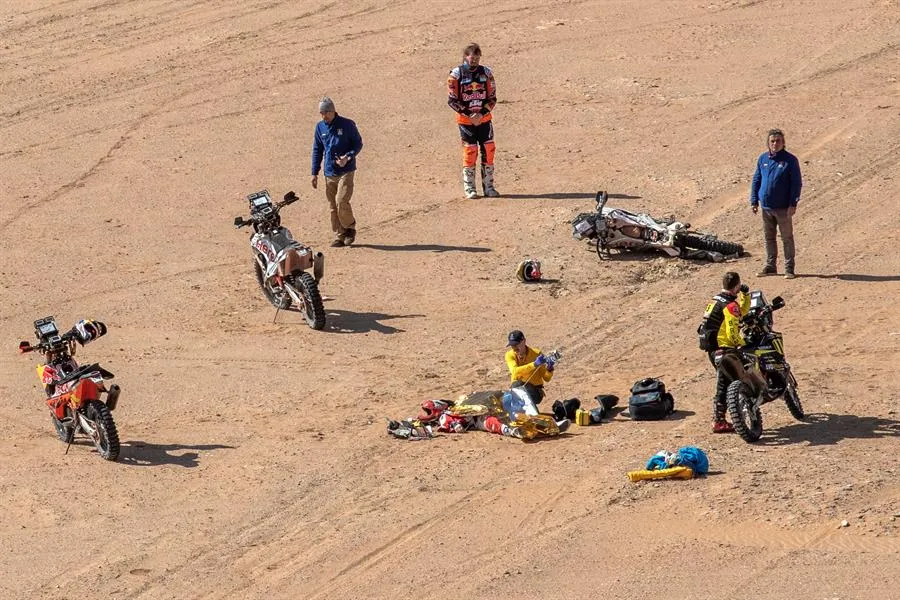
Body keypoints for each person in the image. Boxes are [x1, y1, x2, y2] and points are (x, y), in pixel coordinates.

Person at [699, 272, 750, 433]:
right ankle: (719, 421)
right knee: (724, 384)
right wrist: (741, 343)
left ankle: (722, 417)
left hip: (711, 348)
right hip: (724, 347)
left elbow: (740, 312)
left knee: (725, 382)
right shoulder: (729, 305)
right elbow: (732, 330)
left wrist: (745, 296)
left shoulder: (715, 300)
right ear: (736, 286)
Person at [447, 43, 499, 199]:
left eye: (477, 57)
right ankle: (470, 188)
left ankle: (489, 187)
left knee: (489, 149)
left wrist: (481, 114)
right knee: (470, 150)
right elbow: (452, 100)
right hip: (465, 121)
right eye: (472, 57)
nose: (475, 60)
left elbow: (492, 98)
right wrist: (470, 115)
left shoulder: (487, 72)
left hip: (484, 119)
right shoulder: (456, 75)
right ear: (465, 57)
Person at [310, 97, 364, 247]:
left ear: (333, 111)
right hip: (329, 172)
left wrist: (348, 157)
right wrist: (314, 172)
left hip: (346, 170)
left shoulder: (347, 124)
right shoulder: (320, 127)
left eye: (326, 112)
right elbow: (317, 150)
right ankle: (340, 235)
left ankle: (350, 228)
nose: (323, 116)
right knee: (333, 206)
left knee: (341, 201)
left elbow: (358, 143)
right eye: (321, 113)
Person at [749, 128, 802, 279]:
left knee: (786, 238)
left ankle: (789, 268)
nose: (775, 143)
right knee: (769, 238)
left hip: (783, 208)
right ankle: (771, 266)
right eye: (772, 141)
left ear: (783, 143)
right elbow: (756, 180)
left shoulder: (790, 160)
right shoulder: (763, 159)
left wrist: (793, 203)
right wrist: (754, 200)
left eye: (778, 141)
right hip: (766, 207)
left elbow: (796, 183)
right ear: (768, 143)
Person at [504, 330, 554, 407]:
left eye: (516, 344)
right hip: (518, 390)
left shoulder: (536, 354)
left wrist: (550, 369)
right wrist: (534, 364)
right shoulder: (510, 355)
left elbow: (546, 378)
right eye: (512, 345)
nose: (514, 348)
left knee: (517, 386)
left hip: (535, 392)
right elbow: (515, 372)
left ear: (524, 341)